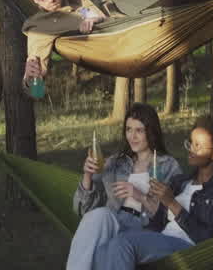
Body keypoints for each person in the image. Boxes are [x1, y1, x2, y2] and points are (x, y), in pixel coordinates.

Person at [77, 115, 213, 270]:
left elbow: (212, 242)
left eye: (198, 146)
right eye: (191, 143)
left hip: (187, 248)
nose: (191, 149)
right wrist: (152, 202)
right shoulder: (181, 182)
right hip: (160, 240)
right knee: (103, 250)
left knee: (122, 244)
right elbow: (157, 223)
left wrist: (171, 203)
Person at [66, 103, 183, 270]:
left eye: (139, 130)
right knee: (100, 214)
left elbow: (170, 214)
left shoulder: (168, 166)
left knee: (104, 243)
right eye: (128, 129)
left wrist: (138, 195)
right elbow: (82, 210)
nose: (132, 136)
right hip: (114, 223)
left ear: (151, 132)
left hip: (144, 230)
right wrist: (87, 175)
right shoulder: (115, 163)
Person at [19, 0, 113, 90]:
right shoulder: (39, 27)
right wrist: (29, 79)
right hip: (111, 58)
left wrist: (95, 18)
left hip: (127, 36)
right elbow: (36, 91)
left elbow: (97, 13)